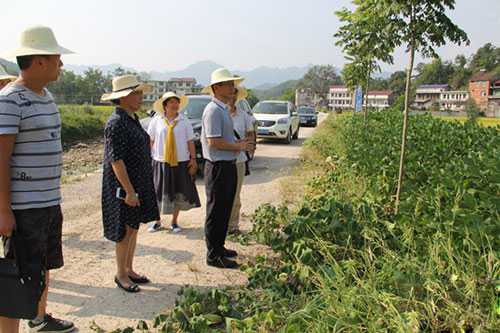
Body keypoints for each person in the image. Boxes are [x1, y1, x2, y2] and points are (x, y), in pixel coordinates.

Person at [0, 26, 75, 333]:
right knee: (16, 281)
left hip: (47, 202)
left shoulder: (46, 96)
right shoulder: (10, 100)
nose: (61, 64)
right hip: (24, 208)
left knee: (41, 268)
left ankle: (40, 318)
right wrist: (3, 210)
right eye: (57, 58)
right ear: (39, 61)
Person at [101, 75, 160, 293]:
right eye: (136, 93)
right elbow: (116, 160)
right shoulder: (116, 123)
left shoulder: (131, 118)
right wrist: (129, 191)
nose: (140, 97)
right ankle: (121, 274)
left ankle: (129, 268)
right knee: (125, 231)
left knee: (133, 228)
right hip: (124, 188)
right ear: (124, 97)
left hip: (137, 184)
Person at [200, 68, 254, 269]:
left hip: (227, 164)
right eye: (229, 84)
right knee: (216, 211)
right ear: (216, 88)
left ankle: (219, 247)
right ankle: (213, 255)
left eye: (233, 84)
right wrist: (238, 146)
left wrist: (236, 146)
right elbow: (214, 142)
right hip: (218, 167)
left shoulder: (221, 109)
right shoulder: (213, 110)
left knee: (224, 209)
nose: (233, 87)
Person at [146, 92, 201, 233]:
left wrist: (193, 160)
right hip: (160, 161)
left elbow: (190, 142)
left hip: (180, 162)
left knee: (178, 191)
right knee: (157, 192)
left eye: (176, 102)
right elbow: (150, 141)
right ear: (164, 106)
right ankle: (157, 222)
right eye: (171, 102)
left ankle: (174, 222)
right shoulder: (156, 121)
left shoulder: (184, 121)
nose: (175, 105)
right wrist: (147, 159)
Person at [228, 87, 256, 234]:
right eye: (230, 93)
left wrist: (249, 146)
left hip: (238, 160)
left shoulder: (243, 115)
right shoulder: (218, 113)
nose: (232, 96)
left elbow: (250, 133)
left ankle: (233, 226)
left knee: (235, 195)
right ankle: (220, 225)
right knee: (220, 194)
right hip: (221, 160)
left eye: (234, 94)